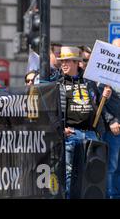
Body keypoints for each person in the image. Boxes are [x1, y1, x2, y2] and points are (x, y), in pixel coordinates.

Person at [56, 46, 112, 198]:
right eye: (62, 61)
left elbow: (97, 105)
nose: (63, 64)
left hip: (90, 135)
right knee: (69, 176)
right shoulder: (58, 84)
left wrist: (105, 96)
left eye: (67, 61)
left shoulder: (89, 82)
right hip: (70, 135)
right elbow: (53, 111)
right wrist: (61, 130)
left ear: (76, 63)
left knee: (91, 177)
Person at [101, 38, 120, 199]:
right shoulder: (104, 74)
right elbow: (99, 104)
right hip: (113, 128)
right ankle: (111, 195)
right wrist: (111, 120)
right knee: (112, 167)